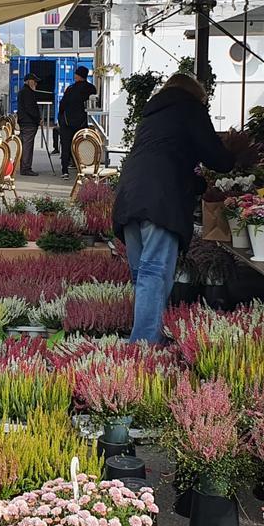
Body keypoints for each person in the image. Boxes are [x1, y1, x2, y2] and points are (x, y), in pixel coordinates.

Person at [112, 72, 237, 343]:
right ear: (196, 95)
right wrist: (233, 150)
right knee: (154, 272)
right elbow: (218, 159)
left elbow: (164, 158)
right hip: (161, 202)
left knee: (141, 273)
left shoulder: (152, 115)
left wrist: (196, 184)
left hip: (129, 196)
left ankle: (146, 333)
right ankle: (145, 343)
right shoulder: (190, 109)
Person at [58, 66, 97, 176]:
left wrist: (60, 119)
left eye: (76, 74)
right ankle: (82, 168)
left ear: (79, 75)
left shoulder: (70, 89)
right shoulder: (91, 88)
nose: (74, 75)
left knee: (65, 146)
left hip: (67, 122)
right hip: (81, 123)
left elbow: (62, 105)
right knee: (82, 145)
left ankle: (65, 170)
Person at [16, 71, 43, 176]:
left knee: (25, 144)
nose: (36, 84)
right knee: (27, 145)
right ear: (29, 81)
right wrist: (38, 119)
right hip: (29, 122)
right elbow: (30, 109)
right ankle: (26, 168)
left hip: (25, 122)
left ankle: (24, 167)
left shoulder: (24, 91)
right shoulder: (27, 92)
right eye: (34, 81)